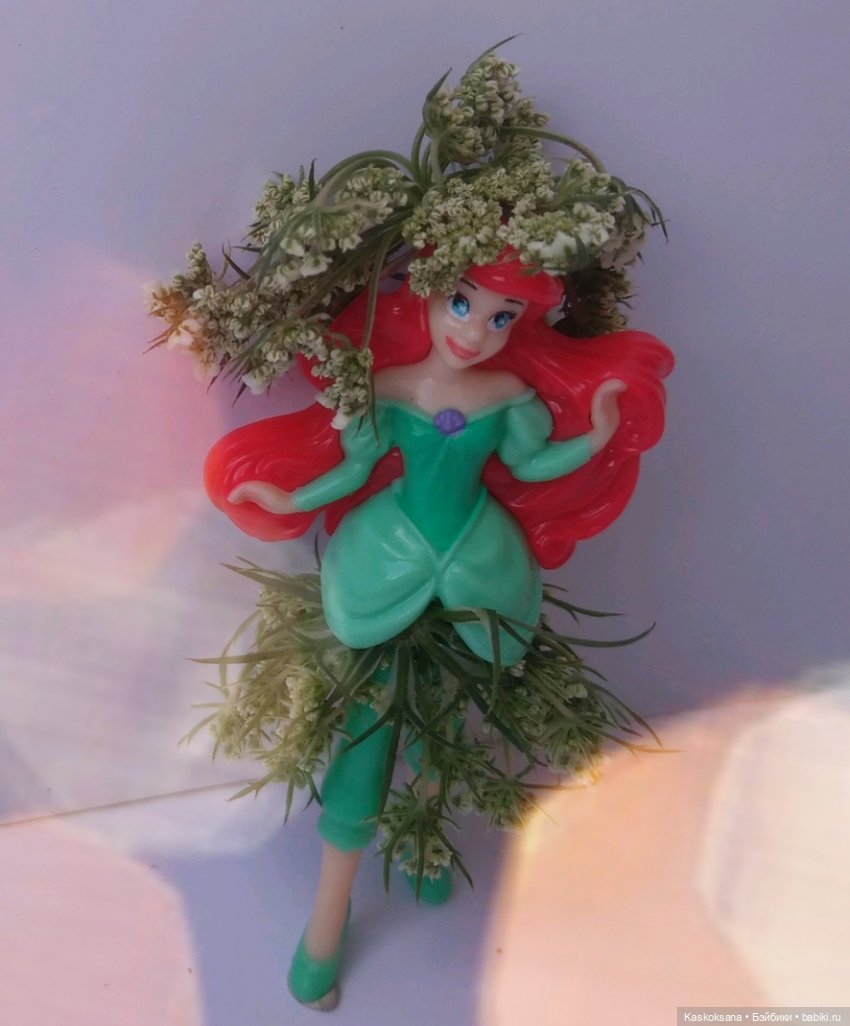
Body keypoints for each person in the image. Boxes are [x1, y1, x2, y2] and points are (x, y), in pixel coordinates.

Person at [204, 249, 673, 1010]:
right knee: (367, 723)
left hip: (477, 559)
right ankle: (327, 917)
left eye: (501, 317)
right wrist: (286, 498)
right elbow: (352, 471)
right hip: (388, 556)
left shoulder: (509, 395)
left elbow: (533, 462)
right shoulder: (388, 390)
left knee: (449, 705)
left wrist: (598, 435)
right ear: (421, 293)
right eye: (461, 301)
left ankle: (422, 834)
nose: (475, 332)